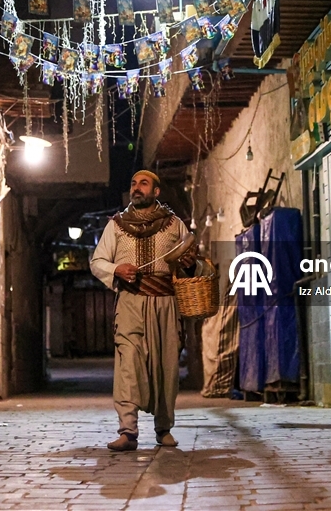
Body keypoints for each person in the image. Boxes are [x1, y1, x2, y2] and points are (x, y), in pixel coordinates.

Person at [91, 170, 193, 451]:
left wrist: (189, 262)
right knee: (128, 363)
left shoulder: (175, 224)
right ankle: (128, 431)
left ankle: (164, 428)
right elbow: (98, 261)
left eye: (143, 184)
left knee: (166, 365)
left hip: (165, 302)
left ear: (156, 192)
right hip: (131, 302)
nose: (136, 188)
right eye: (133, 183)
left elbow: (190, 261)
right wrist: (116, 269)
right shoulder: (117, 225)